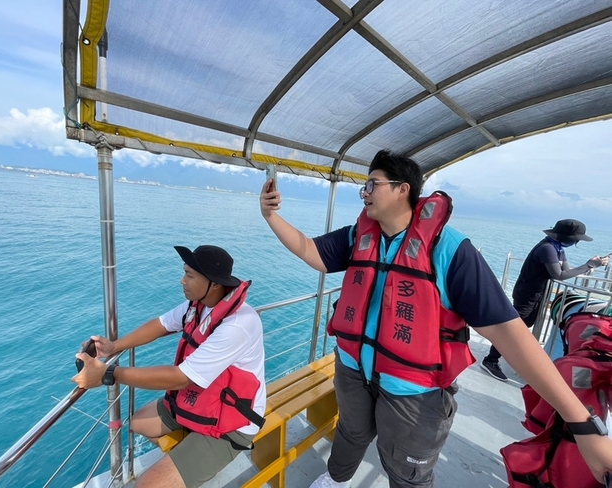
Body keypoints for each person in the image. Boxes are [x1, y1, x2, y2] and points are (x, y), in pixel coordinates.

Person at [259, 150, 612, 488]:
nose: (364, 193)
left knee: (407, 470)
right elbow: (313, 252)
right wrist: (272, 216)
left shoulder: (451, 250)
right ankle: (338, 479)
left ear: (402, 190)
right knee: (351, 431)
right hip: (353, 369)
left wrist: (581, 423)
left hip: (414, 392)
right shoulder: (358, 236)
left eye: (372, 184)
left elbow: (510, 334)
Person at [72, 245, 266, 488]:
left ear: (214, 283)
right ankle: (185, 461)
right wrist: (114, 346)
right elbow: (161, 324)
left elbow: (180, 378)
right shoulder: (199, 305)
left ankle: (186, 466)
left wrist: (107, 374)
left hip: (231, 422)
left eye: (189, 275)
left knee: (145, 485)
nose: (181, 280)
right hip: (202, 400)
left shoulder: (237, 325)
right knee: (138, 423)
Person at [481, 219, 609, 381]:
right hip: (527, 294)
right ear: (567, 237)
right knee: (513, 327)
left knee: (524, 325)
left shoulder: (557, 248)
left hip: (537, 294)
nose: (576, 242)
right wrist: (589, 265)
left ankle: (507, 354)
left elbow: (566, 270)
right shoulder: (547, 249)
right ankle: (490, 360)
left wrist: (592, 264)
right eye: (575, 239)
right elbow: (559, 275)